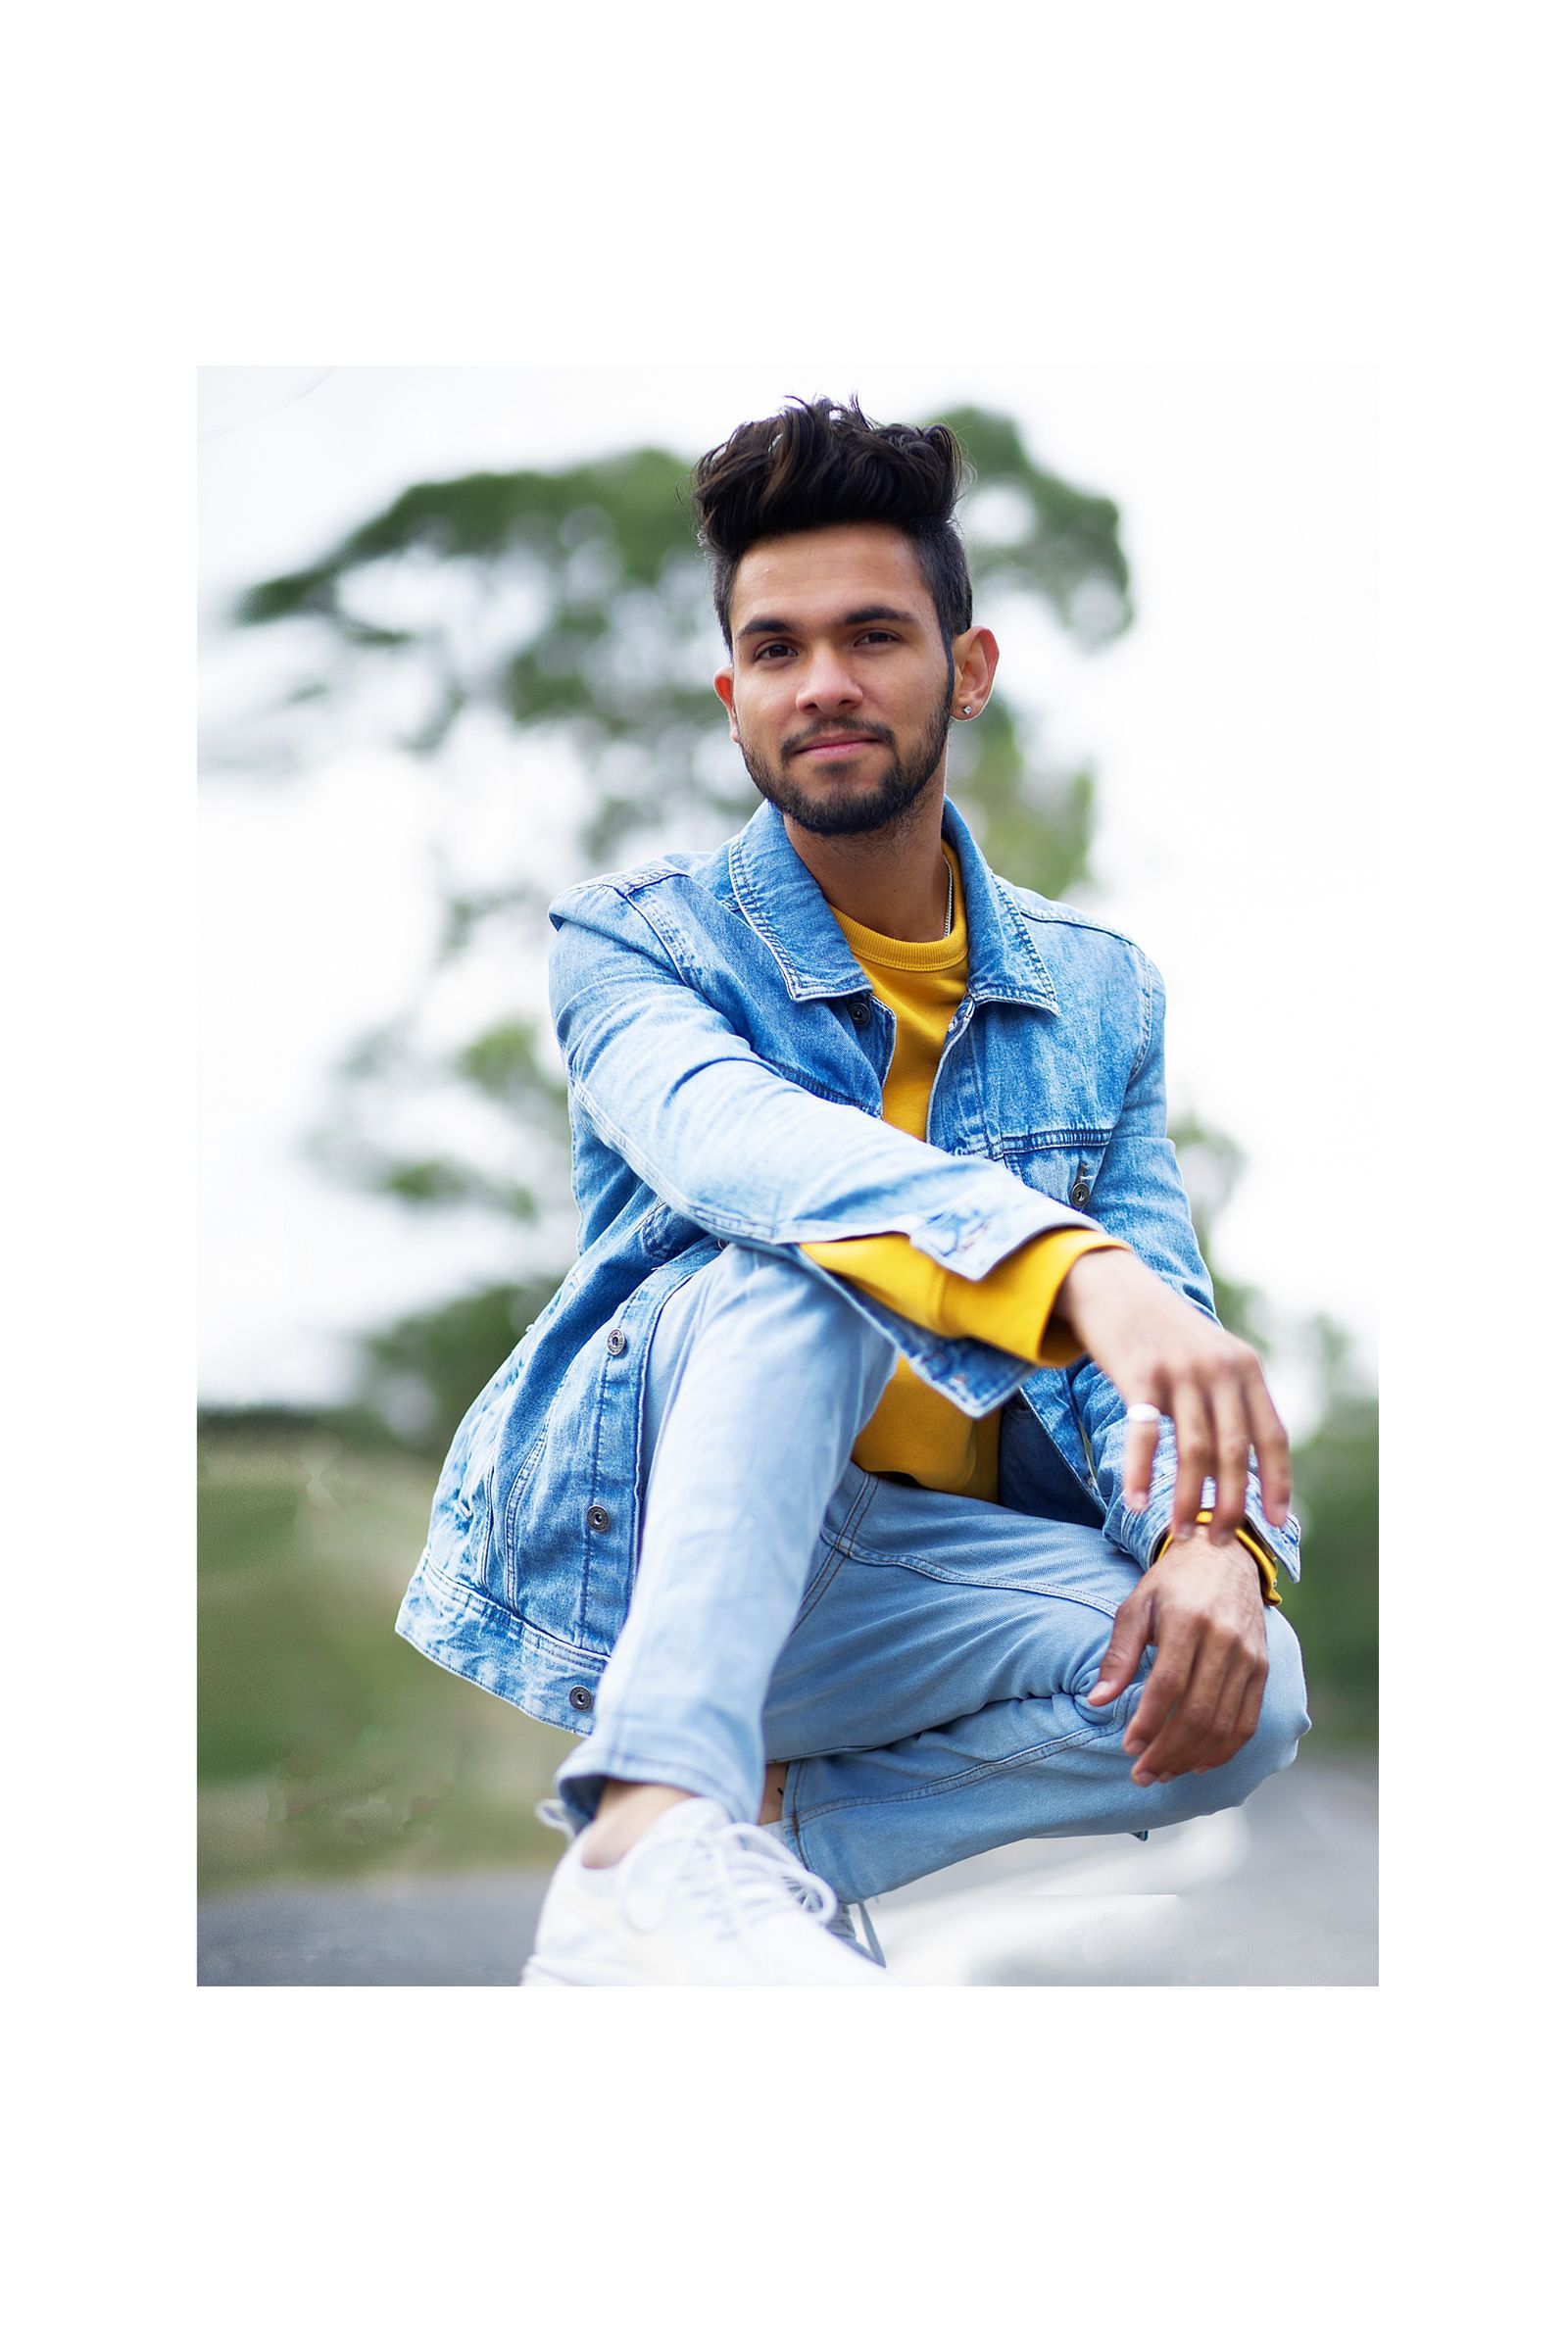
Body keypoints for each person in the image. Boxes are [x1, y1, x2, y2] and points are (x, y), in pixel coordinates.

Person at [396, 394, 1310, 1986]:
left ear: (966, 670)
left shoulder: (1096, 996)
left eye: (873, 635)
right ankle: (650, 1814)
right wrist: (1069, 1268)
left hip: (910, 1585)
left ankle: (730, 1859)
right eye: (774, 647)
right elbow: (736, 1140)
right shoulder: (635, 943)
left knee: (1247, 1684)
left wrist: (1214, 1540)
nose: (821, 682)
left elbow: (1162, 1336)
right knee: (798, 1264)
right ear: (731, 690)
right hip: (663, 1552)